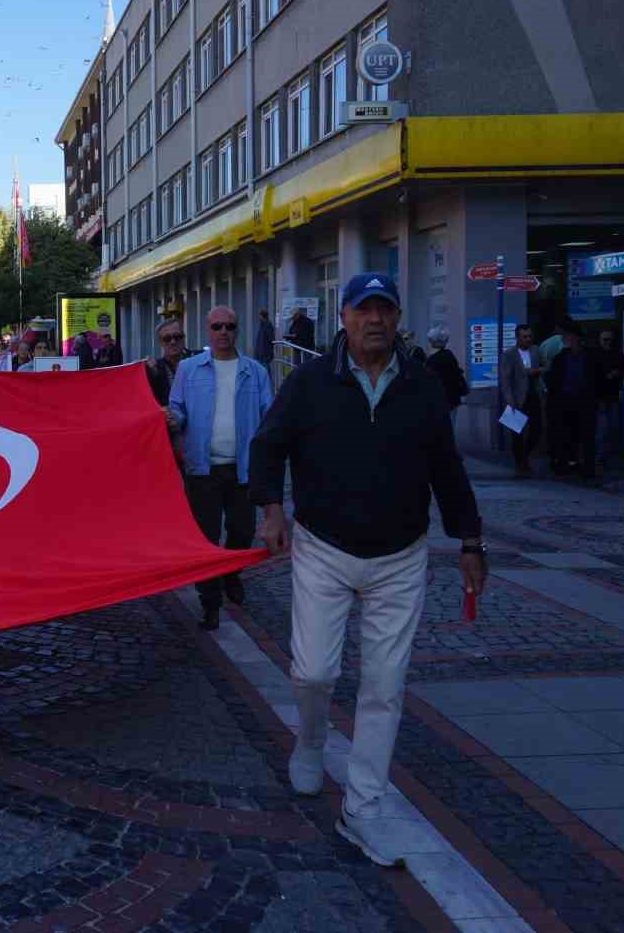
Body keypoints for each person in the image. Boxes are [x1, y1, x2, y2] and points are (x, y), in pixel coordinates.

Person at [251, 273, 485, 868]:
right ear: (344, 318)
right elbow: (268, 444)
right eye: (363, 310)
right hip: (324, 547)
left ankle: (364, 809)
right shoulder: (308, 382)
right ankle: (309, 741)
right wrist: (272, 509)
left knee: (385, 685)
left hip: (401, 555)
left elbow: (447, 468)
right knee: (312, 670)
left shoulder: (423, 386)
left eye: (384, 310)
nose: (374, 321)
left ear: (397, 318)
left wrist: (471, 540)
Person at [167, 307, 274, 629]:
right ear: (207, 330)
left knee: (242, 531)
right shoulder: (189, 369)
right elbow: (177, 407)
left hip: (242, 470)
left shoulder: (255, 372)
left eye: (230, 326)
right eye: (217, 326)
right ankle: (209, 602)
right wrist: (175, 420)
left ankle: (231, 573)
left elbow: (269, 416)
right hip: (203, 469)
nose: (223, 331)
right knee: (207, 540)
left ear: (237, 330)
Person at [544, 319, 600, 479]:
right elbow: (552, 379)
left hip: (585, 401)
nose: (562, 339)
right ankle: (565, 465)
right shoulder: (561, 358)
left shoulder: (590, 356)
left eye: (565, 336)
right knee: (566, 435)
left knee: (587, 436)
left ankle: (587, 468)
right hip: (565, 402)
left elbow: (597, 378)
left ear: (574, 337)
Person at [499, 325, 544, 476]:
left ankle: (525, 457)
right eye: (524, 337)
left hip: (533, 394)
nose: (528, 339)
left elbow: (544, 367)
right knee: (516, 434)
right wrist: (510, 400)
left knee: (537, 430)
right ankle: (521, 464)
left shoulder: (535, 350)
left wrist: (537, 371)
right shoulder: (509, 354)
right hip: (517, 397)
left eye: (530, 336)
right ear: (517, 338)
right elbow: (505, 379)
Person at [594, 328, 624, 467]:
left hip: (612, 395)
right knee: (602, 428)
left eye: (610, 340)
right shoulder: (595, 355)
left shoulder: (617, 354)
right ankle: (600, 455)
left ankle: (607, 455)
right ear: (600, 340)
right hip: (601, 396)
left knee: (612, 427)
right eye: (605, 340)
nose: (608, 342)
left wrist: (617, 373)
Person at [424, 327, 469, 424]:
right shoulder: (449, 355)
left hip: (439, 401)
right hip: (453, 399)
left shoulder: (431, 361)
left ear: (433, 342)